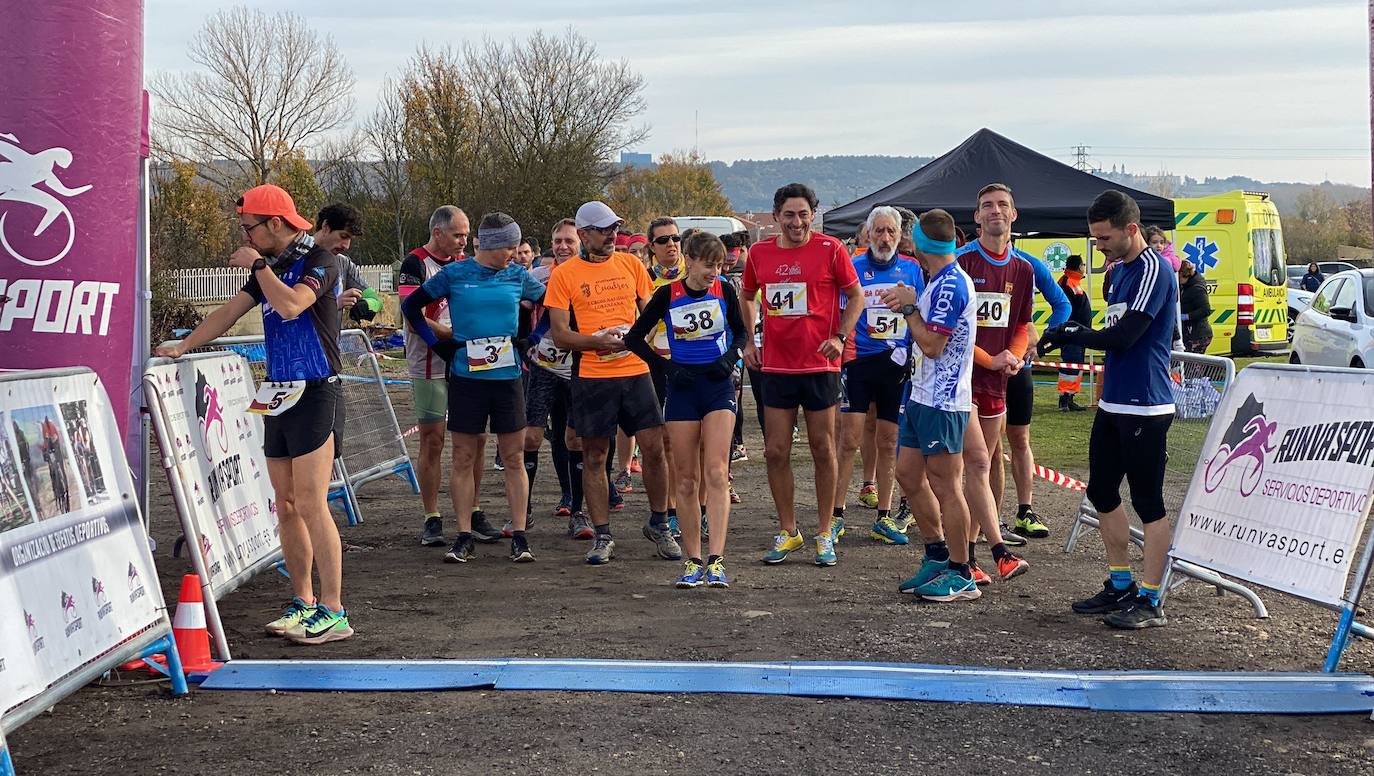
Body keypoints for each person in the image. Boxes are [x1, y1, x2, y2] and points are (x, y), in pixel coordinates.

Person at [156, 184, 352, 645]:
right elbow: (228, 312)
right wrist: (183, 346)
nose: (245, 237)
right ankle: (303, 601)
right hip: (279, 391)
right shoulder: (274, 268)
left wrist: (259, 265)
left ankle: (335, 609)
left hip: (316, 390)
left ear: (276, 224)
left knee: (311, 502)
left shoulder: (319, 261)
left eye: (250, 229)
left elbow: (290, 305)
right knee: (285, 504)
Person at [1041, 190, 1179, 630]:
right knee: (1101, 492)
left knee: (1148, 502)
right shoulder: (1119, 272)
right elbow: (1110, 330)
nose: (1097, 246)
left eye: (1103, 237)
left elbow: (1124, 338)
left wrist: (1073, 332)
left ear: (1130, 229)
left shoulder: (1155, 270)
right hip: (1113, 399)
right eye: (1094, 238)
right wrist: (1074, 332)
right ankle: (1120, 583)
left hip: (1146, 404)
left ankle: (1153, 598)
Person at [401, 212, 546, 564]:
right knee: (463, 456)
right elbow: (410, 306)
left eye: (517, 246)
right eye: (509, 247)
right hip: (467, 378)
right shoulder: (456, 273)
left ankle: (520, 535)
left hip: (508, 377)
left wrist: (533, 340)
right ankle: (463, 535)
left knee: (513, 457)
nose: (514, 253)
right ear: (492, 245)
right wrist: (440, 346)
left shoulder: (517, 276)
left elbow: (553, 303)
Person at [546, 201, 680, 565]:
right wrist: (597, 341)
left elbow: (650, 313)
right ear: (584, 234)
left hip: (635, 371)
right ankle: (603, 535)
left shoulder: (631, 263)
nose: (611, 235)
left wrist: (634, 336)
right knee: (594, 455)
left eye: (614, 229)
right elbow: (560, 335)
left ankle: (660, 524)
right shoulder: (564, 274)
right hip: (592, 376)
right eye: (603, 230)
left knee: (654, 448)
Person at [741, 183, 863, 567]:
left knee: (822, 448)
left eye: (803, 214)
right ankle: (789, 530)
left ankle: (824, 532)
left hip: (819, 365)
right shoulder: (759, 253)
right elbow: (747, 295)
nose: (797, 222)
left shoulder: (831, 249)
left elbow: (856, 295)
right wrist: (750, 339)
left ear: (814, 214)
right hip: (776, 365)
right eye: (789, 215)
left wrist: (841, 337)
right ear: (776, 216)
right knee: (775, 450)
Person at [626, 232, 745, 588]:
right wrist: (664, 367)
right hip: (682, 390)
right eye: (708, 265)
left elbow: (741, 335)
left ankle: (717, 559)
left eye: (719, 265)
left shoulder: (725, 291)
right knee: (687, 478)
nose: (714, 272)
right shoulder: (667, 294)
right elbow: (634, 338)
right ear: (690, 260)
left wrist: (729, 358)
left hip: (718, 386)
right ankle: (693, 560)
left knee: (716, 470)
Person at [883, 210, 980, 602]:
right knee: (907, 474)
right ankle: (937, 554)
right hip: (921, 396)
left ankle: (963, 571)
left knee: (946, 484)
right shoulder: (935, 280)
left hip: (944, 401)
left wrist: (909, 309)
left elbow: (933, 345)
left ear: (920, 244)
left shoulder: (951, 285)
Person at [400, 207, 500, 547]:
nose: (464, 242)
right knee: (433, 439)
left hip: (467, 361)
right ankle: (431, 516)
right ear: (438, 233)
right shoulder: (415, 264)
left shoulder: (466, 265)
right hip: (428, 361)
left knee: (477, 439)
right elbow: (410, 312)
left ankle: (473, 509)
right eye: (458, 235)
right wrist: (448, 337)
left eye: (467, 235)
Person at [952, 183, 1031, 582]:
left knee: (982, 465)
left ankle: (970, 556)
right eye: (987, 205)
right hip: (959, 381)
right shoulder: (962, 262)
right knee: (975, 463)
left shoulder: (1023, 269)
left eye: (1003, 205)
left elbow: (1022, 323)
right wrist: (990, 358)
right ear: (977, 217)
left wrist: (1014, 355)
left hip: (996, 383)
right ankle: (974, 555)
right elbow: (952, 331)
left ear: (1014, 215)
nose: (995, 211)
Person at [831, 206, 923, 546]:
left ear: (900, 237)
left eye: (891, 233)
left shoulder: (912, 269)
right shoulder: (853, 267)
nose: (885, 238)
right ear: (868, 234)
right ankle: (836, 515)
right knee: (849, 440)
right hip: (858, 363)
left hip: (897, 366)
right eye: (879, 231)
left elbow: (922, 313)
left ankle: (884, 516)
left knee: (888, 442)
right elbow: (838, 311)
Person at [1000, 231, 1070, 541]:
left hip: (1019, 366)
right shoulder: (969, 258)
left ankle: (1025, 511)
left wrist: (1041, 339)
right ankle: (989, 516)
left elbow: (1062, 305)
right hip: (984, 368)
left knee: (1019, 438)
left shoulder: (1028, 264)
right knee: (984, 448)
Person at [523, 219, 585, 536]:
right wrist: (525, 343)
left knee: (575, 439)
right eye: (557, 240)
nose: (562, 246)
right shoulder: (538, 276)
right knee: (531, 437)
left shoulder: (589, 275)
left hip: (580, 367)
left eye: (569, 241)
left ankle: (578, 512)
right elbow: (522, 310)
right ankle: (523, 510)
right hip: (543, 366)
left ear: (581, 242)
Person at [312, 203, 382, 324]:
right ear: (325, 227)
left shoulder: (343, 263)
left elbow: (377, 301)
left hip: (331, 342)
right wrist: (335, 304)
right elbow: (288, 310)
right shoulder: (297, 257)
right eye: (343, 236)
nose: (346, 246)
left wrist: (366, 304)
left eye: (350, 239)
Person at [1054, 255, 1092, 412]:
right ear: (1078, 266)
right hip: (1071, 333)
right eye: (1083, 264)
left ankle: (1070, 398)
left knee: (1076, 364)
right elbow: (1066, 307)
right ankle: (1064, 399)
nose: (1084, 267)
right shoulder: (1066, 282)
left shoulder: (1073, 281)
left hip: (1079, 332)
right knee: (1070, 364)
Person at [1178, 259, 1212, 353]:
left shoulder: (1197, 289)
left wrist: (1186, 316)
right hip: (1193, 333)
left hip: (1198, 334)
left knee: (1193, 365)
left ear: (1184, 275)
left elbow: (1206, 310)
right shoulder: (1187, 286)